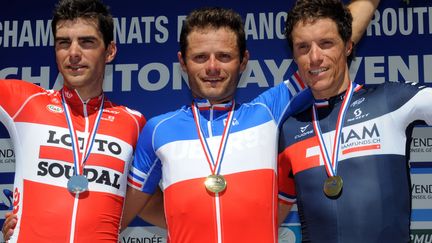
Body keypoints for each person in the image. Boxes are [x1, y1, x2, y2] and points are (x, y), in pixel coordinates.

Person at [120, 2, 378, 242]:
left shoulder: (267, 112)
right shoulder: (158, 130)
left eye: (224, 56)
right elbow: (117, 214)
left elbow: (338, 39)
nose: (212, 67)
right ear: (182, 63)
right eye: (200, 57)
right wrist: (182, 218)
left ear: (243, 61)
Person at [277, 0, 432, 242]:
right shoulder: (288, 129)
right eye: (303, 47)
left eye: (326, 43)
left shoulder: (390, 100)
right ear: (294, 56)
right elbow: (270, 216)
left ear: (348, 45)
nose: (315, 57)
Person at [0, 0, 152, 241]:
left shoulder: (133, 122)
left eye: (86, 42)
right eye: (63, 43)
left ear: (110, 51)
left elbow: (154, 203)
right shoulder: (23, 102)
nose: (73, 53)